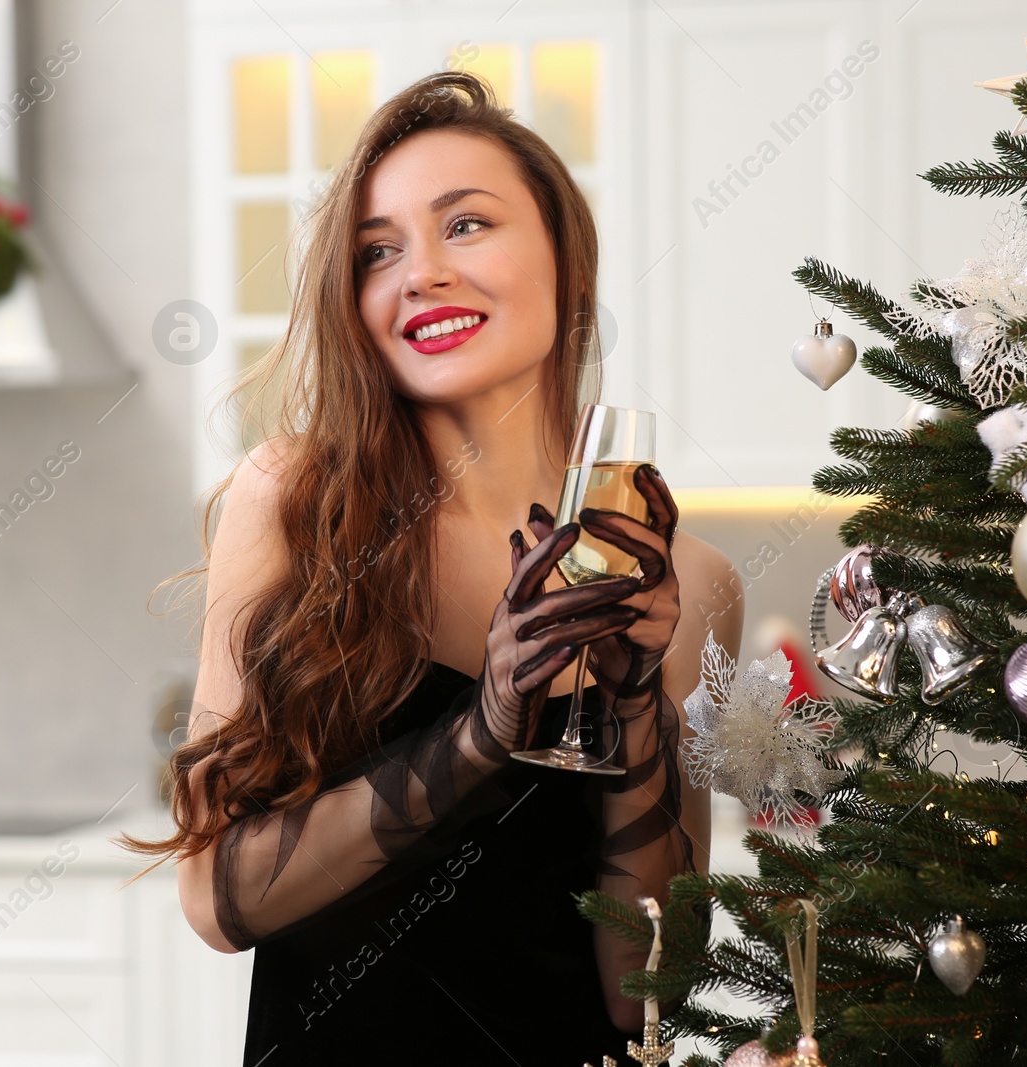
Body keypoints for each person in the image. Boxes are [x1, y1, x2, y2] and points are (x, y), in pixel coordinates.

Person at [120, 69, 744, 1064]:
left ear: (565, 262)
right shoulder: (295, 503)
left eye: (465, 225)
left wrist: (634, 715)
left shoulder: (686, 579)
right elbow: (218, 898)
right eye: (378, 250)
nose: (420, 272)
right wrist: (485, 728)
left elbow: (646, 994)